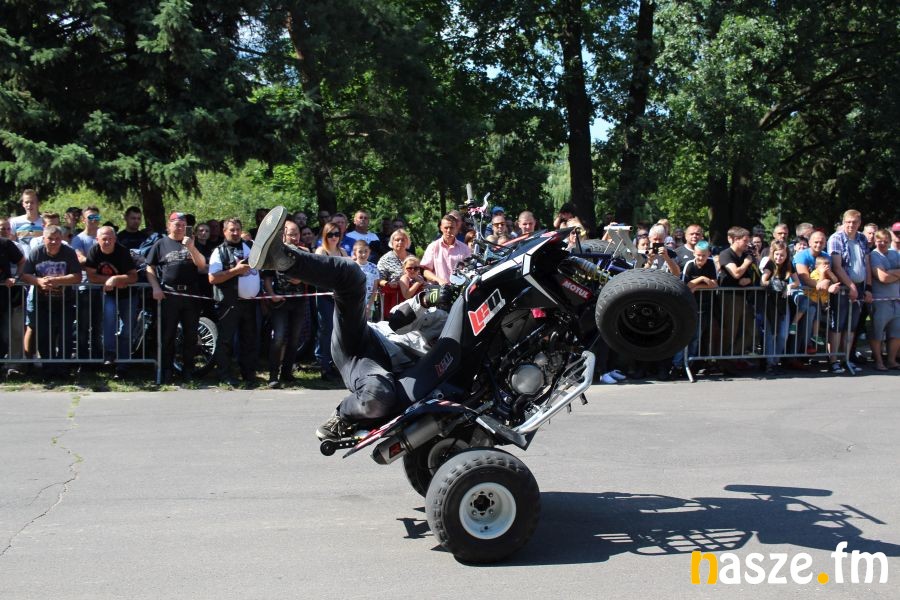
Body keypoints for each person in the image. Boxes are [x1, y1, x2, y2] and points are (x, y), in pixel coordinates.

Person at [249, 206, 414, 440]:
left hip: (371, 363)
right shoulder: (447, 319)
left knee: (378, 395)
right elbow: (403, 315)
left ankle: (343, 416)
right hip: (363, 339)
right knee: (351, 273)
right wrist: (425, 301)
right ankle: (280, 257)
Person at [145, 212, 208, 383]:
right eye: (177, 224)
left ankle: (188, 370)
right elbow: (149, 267)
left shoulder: (192, 242)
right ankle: (167, 371)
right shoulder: (161, 244)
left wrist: (192, 247)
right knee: (168, 335)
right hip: (169, 294)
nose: (180, 228)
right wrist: (155, 287)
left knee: (191, 335)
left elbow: (202, 265)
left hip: (191, 294)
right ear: (169, 225)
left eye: (183, 225)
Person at [20, 225, 81, 377]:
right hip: (42, 301)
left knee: (65, 335)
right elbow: (25, 275)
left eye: (57, 239)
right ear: (44, 239)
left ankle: (64, 368)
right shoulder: (36, 252)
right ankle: (48, 367)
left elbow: (77, 276)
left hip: (65, 301)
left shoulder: (69, 252)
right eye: (50, 239)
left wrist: (58, 280)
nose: (54, 242)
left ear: (61, 239)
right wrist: (38, 281)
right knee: (44, 335)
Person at [209, 218, 261, 387]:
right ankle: (224, 375)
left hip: (249, 303)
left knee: (249, 339)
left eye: (238, 229)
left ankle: (248, 375)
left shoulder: (250, 247)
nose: (236, 232)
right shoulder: (219, 251)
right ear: (224, 232)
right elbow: (213, 278)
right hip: (229, 303)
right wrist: (235, 271)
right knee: (226, 340)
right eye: (232, 229)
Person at [83, 226, 138, 377]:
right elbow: (91, 276)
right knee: (108, 322)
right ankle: (110, 353)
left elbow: (133, 276)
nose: (107, 242)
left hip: (128, 295)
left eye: (110, 239)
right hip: (108, 294)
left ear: (115, 239)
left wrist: (116, 279)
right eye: (104, 239)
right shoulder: (94, 252)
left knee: (126, 329)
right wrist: (111, 280)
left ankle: (124, 363)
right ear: (97, 240)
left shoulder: (123, 252)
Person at [264, 220, 311, 388]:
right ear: (283, 235)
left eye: (296, 234)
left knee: (294, 338)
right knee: (278, 338)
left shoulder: (304, 252)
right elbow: (267, 277)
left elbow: (312, 275)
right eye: (291, 234)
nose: (294, 237)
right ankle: (273, 375)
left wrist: (302, 279)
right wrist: (272, 295)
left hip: (299, 301)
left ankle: (287, 373)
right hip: (280, 302)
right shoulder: (274, 252)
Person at [827, 209, 870, 372]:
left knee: (852, 326)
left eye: (854, 222)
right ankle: (833, 361)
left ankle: (846, 359)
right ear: (843, 222)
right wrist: (851, 286)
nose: (851, 225)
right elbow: (837, 266)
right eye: (848, 222)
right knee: (838, 323)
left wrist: (868, 288)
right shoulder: (836, 238)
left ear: (859, 223)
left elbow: (867, 263)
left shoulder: (862, 238)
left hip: (860, 286)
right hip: (843, 287)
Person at [718, 227, 760, 358]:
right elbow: (736, 273)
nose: (748, 244)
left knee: (752, 331)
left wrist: (749, 279)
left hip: (745, 298)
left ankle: (734, 355)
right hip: (730, 297)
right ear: (736, 239)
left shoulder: (747, 255)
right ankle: (724, 359)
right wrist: (746, 263)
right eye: (745, 241)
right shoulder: (726, 254)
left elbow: (757, 275)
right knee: (731, 330)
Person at [314, 221, 348, 380]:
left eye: (337, 234)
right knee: (326, 330)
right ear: (324, 236)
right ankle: (324, 365)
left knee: (339, 331)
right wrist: (330, 290)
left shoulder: (342, 252)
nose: (334, 237)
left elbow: (348, 272)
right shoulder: (321, 251)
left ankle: (336, 365)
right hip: (325, 296)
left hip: (340, 297)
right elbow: (317, 276)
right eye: (330, 234)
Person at [71, 206, 104, 360]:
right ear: (83, 220)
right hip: (85, 287)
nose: (94, 220)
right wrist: (102, 263)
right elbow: (80, 260)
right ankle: (82, 358)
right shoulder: (78, 239)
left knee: (99, 325)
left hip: (103, 287)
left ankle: (97, 357)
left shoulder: (105, 237)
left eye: (97, 217)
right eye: (91, 217)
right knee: (83, 325)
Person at [760, 240, 795, 374]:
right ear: (773, 253)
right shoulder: (770, 264)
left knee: (783, 335)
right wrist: (774, 283)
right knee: (770, 334)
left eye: (782, 255)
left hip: (783, 303)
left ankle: (775, 360)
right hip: (770, 303)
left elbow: (796, 282)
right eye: (777, 254)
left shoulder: (789, 265)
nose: (779, 257)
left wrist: (789, 285)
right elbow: (762, 281)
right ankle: (770, 363)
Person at [867, 229, 899, 370]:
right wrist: (894, 275)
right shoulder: (874, 255)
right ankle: (879, 361)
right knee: (877, 333)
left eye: (886, 241)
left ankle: (891, 360)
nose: (883, 244)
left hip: (896, 300)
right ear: (875, 241)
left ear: (890, 241)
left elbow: (887, 275)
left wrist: (890, 272)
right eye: (879, 241)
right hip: (880, 300)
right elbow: (883, 278)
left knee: (896, 333)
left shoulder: (895, 254)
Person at [0, 224, 25, 378]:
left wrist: (15, 278)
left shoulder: (5, 243)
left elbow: (22, 261)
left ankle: (5, 365)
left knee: (5, 333)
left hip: (5, 295)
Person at [421, 214, 471, 286]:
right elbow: (425, 271)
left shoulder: (464, 248)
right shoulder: (433, 247)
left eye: (451, 228)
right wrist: (439, 280)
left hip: (460, 289)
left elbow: (470, 270)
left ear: (456, 228)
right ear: (441, 228)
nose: (448, 230)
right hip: (440, 288)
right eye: (446, 228)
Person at [350, 239, 380, 319]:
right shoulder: (351, 267)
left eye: (366, 251)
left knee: (367, 324)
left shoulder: (374, 267)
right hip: (352, 303)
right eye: (360, 252)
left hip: (368, 304)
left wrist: (369, 305)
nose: (363, 254)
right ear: (355, 253)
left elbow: (375, 289)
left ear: (369, 252)